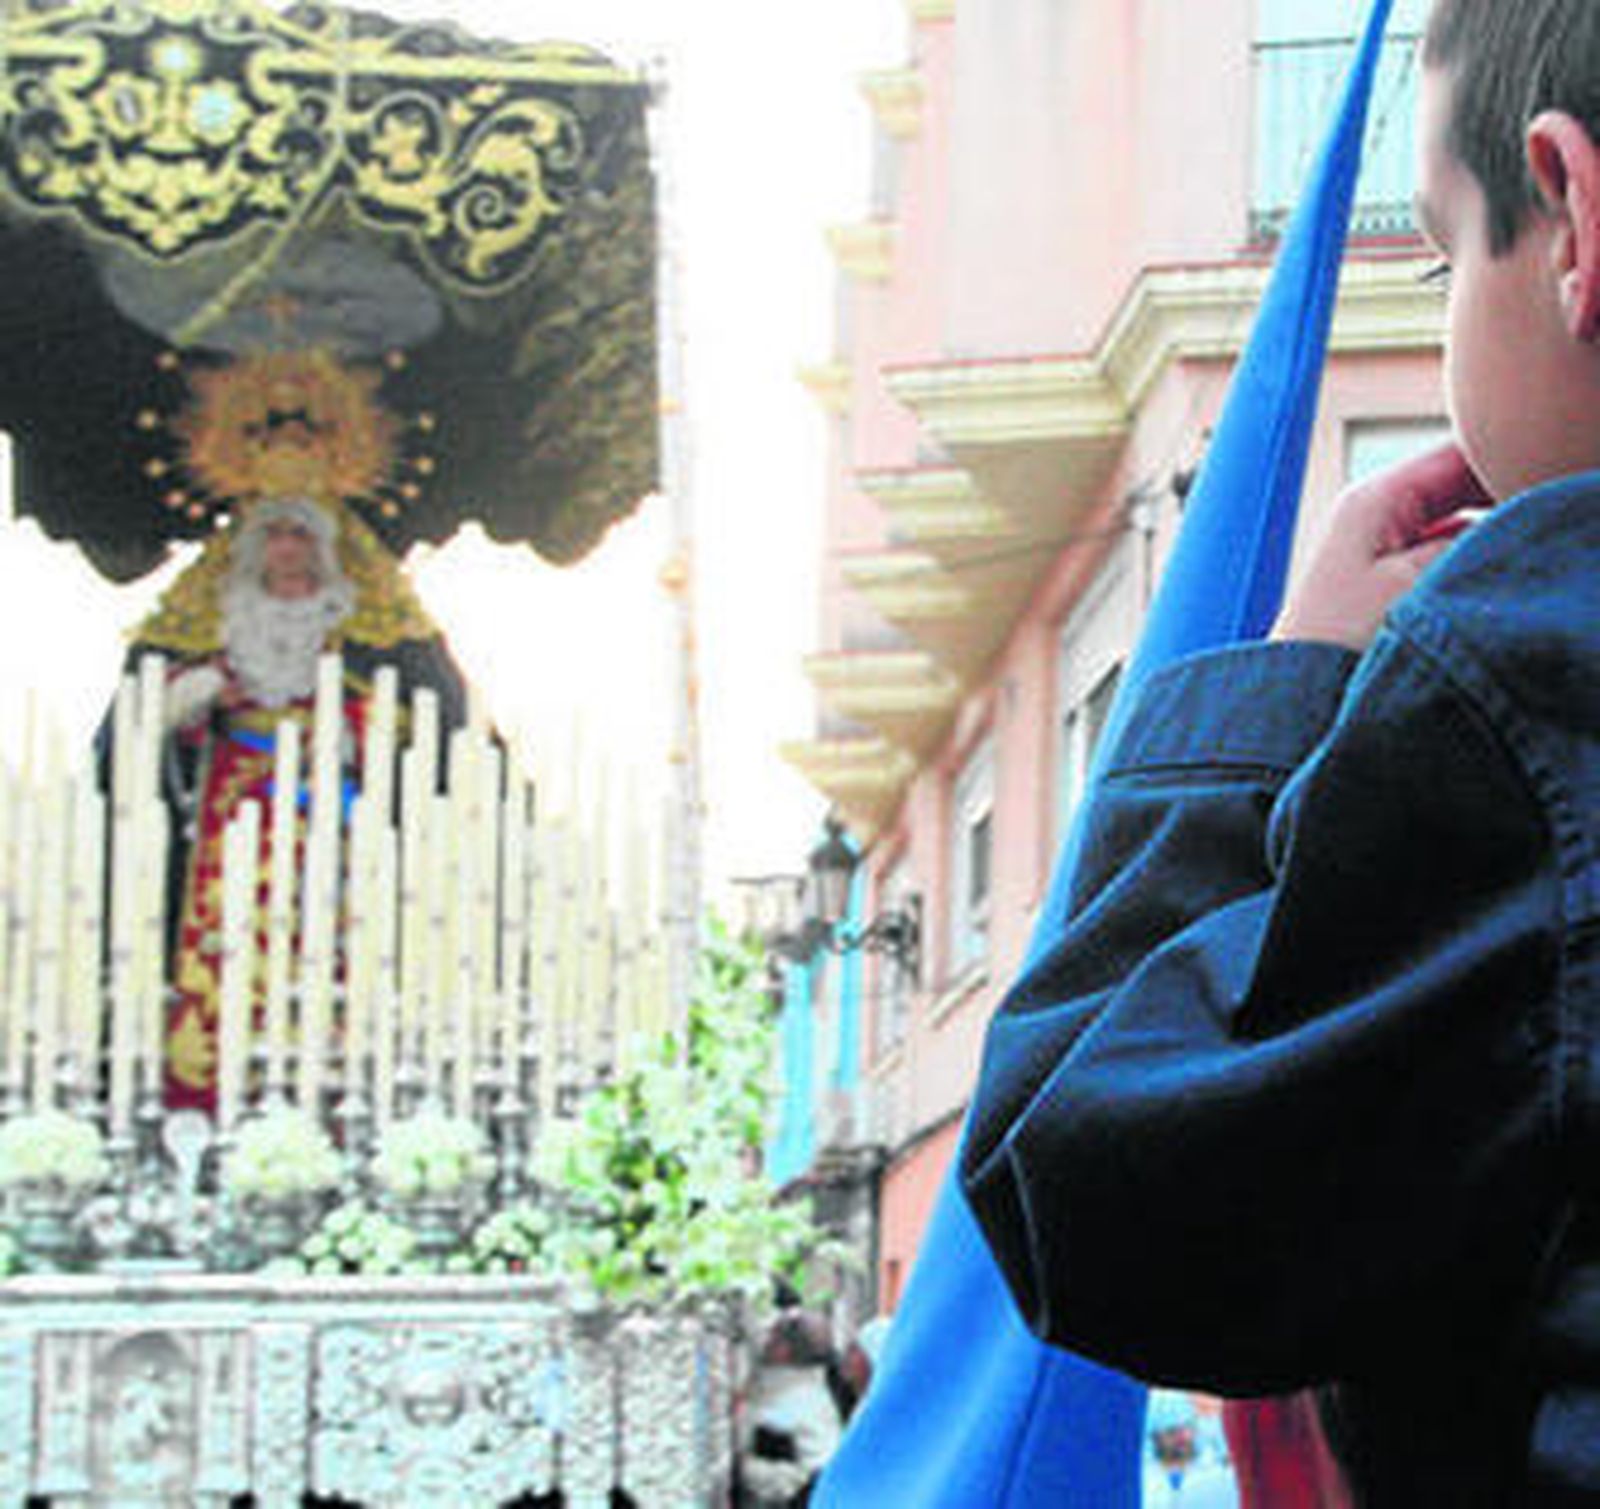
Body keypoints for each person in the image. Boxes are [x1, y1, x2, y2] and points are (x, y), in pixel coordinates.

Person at [960, 1, 1600, 1499]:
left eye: (1444, 261)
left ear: (1570, 216)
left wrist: (1288, 690)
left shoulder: (1539, 666)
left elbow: (1102, 1189)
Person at [117, 493, 466, 1109]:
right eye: (273, 533)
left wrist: (351, 728)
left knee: (326, 929)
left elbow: (419, 713)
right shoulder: (219, 623)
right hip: (231, 802)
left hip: (325, 803)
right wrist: (195, 696)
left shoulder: (358, 626)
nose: (286, 548)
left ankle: (329, 1073)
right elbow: (148, 720)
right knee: (227, 934)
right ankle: (215, 1077)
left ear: (323, 547)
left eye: (299, 535)